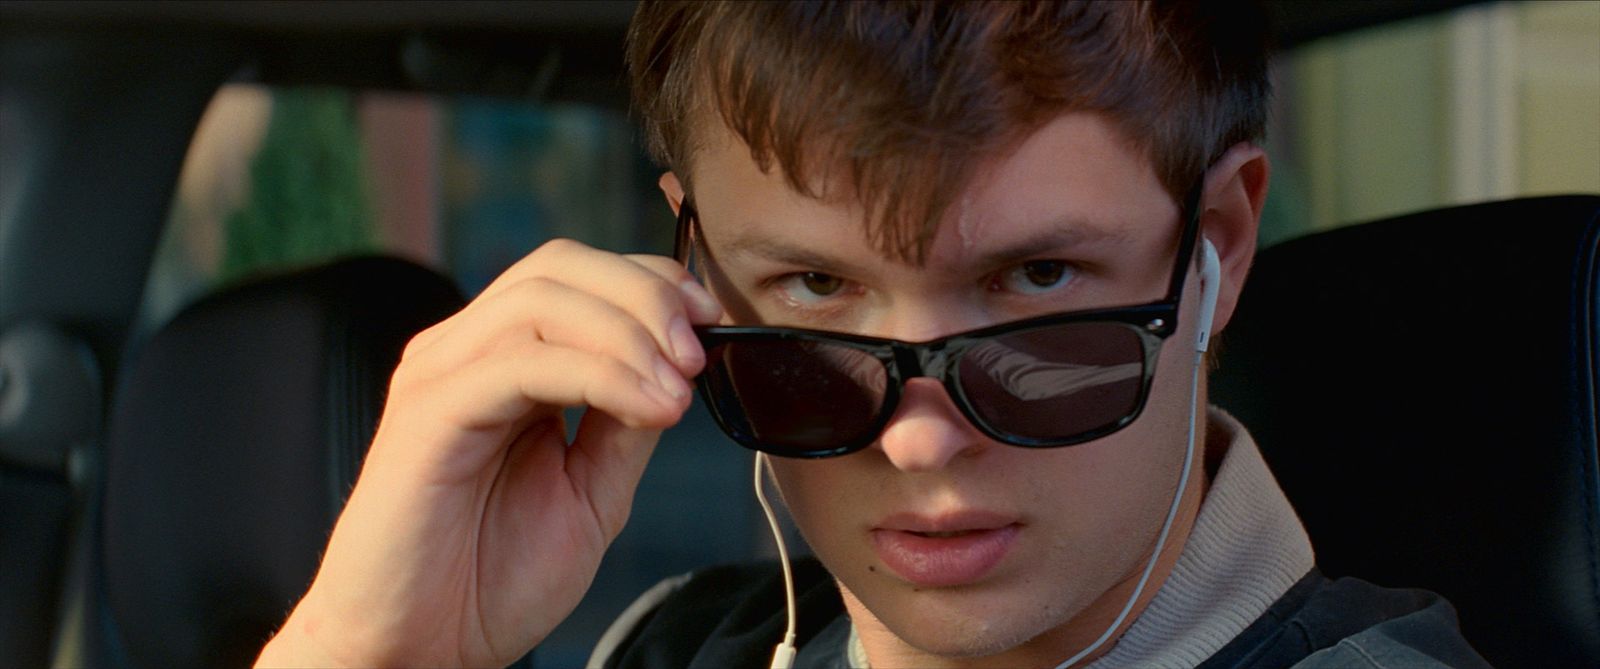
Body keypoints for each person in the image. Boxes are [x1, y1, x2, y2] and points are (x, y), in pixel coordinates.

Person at [257, 2, 1491, 667]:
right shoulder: (677, 647)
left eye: (1035, 279)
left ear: (1213, 244)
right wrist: (371, 654)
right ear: (691, 269)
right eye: (809, 289)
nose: (917, 441)